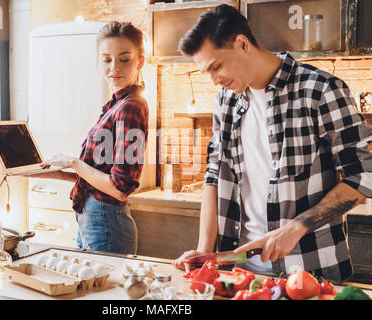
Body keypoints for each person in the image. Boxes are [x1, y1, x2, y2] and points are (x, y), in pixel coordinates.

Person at [172, 4, 372, 280]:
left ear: (242, 44)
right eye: (207, 72)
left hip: (310, 273)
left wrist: (296, 227)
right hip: (240, 274)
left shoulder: (320, 91)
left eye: (216, 66)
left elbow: (364, 174)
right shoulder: (225, 101)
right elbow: (215, 173)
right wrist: (204, 252)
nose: (214, 80)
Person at [26, 21, 148, 255]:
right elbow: (97, 180)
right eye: (106, 59)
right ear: (98, 61)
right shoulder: (116, 106)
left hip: (106, 223)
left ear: (140, 61)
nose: (114, 67)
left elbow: (120, 188)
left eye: (124, 59)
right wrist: (48, 172)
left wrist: (73, 162)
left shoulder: (130, 107)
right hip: (92, 221)